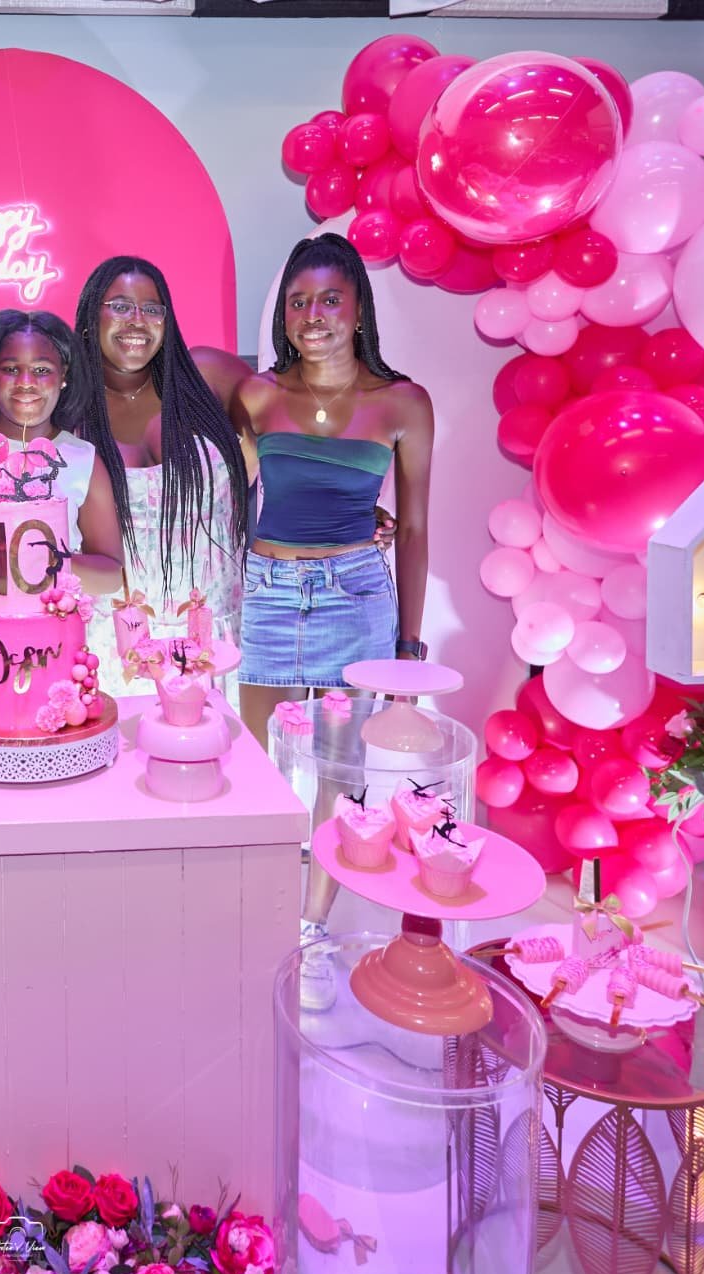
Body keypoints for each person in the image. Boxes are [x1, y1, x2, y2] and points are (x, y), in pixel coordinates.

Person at [210, 233, 434, 998]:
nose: (313, 316)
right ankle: (258, 915)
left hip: (357, 598)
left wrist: (408, 645)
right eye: (298, 302)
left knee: (342, 776)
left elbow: (414, 527)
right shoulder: (257, 395)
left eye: (330, 300)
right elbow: (227, 491)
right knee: (260, 768)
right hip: (268, 593)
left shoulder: (403, 403)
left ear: (359, 309)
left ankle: (309, 931)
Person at [70, 257, 250, 694]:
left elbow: (291, 435)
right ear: (91, 318)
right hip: (109, 647)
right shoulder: (65, 405)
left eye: (151, 309)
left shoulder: (211, 378)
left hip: (213, 638)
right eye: (120, 306)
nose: (137, 320)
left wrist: (356, 507)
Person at [0, 310, 124, 631]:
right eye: (11, 369)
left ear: (64, 376)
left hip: (53, 640)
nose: (26, 382)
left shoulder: (84, 458)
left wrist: (47, 565)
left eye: (41, 370)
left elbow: (111, 573)